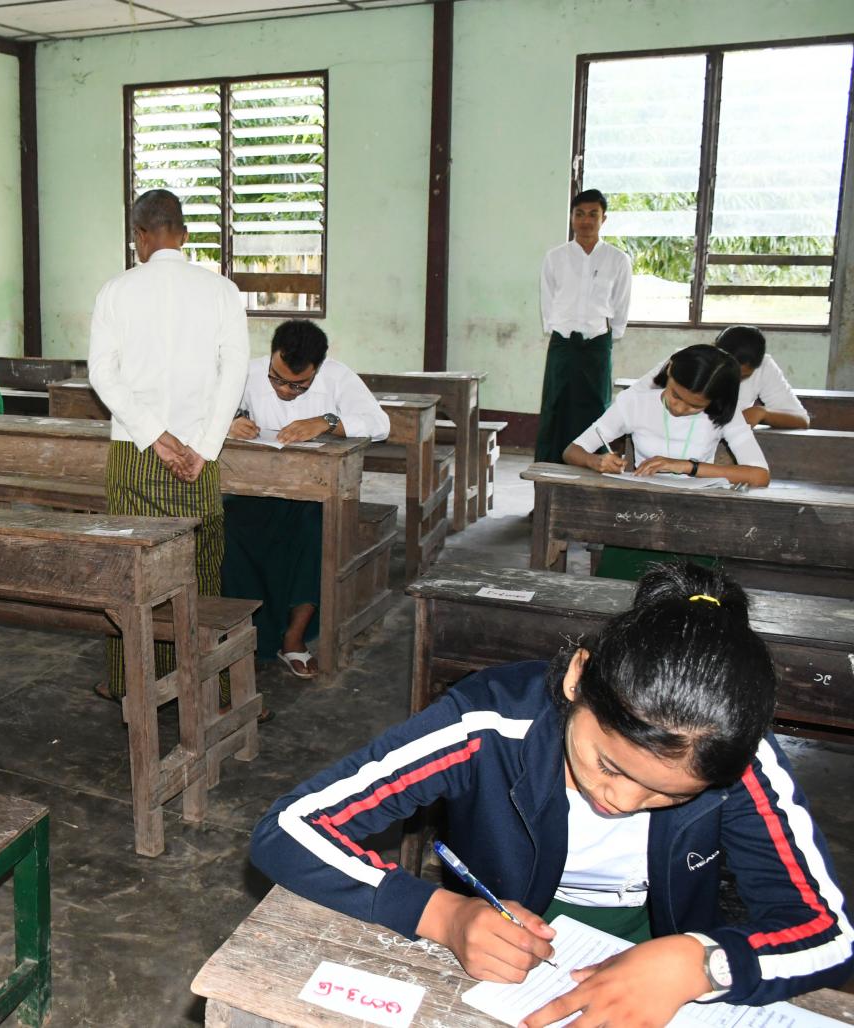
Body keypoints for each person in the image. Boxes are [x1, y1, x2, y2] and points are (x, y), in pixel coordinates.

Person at [250, 563, 853, 1027]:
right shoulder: (487, 724)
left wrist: (704, 963)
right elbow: (289, 830)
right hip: (505, 944)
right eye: (608, 764)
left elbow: (829, 933)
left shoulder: (739, 762)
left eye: (667, 795)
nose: (622, 801)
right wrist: (443, 915)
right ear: (577, 677)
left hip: (660, 953)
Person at [87, 188, 249, 704]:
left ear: (139, 235)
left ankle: (130, 684)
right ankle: (212, 688)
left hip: (136, 452)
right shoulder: (222, 291)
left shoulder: (116, 291)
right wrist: (201, 447)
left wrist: (156, 435)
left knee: (132, 572)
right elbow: (234, 374)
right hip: (200, 456)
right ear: (184, 233)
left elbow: (101, 375)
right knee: (201, 568)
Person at [223, 321, 389, 680]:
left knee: (315, 534)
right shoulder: (249, 372)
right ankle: (243, 633)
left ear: (318, 368)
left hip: (316, 496)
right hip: (260, 489)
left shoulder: (338, 377)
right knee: (227, 527)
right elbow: (210, 410)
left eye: (298, 385)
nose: (285, 390)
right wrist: (231, 421)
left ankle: (293, 638)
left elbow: (380, 424)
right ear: (271, 356)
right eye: (277, 379)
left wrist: (327, 421)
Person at [566, 344, 768, 581]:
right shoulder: (634, 402)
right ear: (670, 370)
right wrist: (595, 461)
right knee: (617, 585)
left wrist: (687, 466)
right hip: (638, 516)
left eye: (695, 406)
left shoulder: (724, 414)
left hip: (697, 520)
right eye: (676, 395)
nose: (679, 408)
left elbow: (760, 475)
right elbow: (572, 451)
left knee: (692, 590)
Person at [534, 188, 632, 465]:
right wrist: (557, 329)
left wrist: (609, 337)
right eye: (579, 214)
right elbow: (548, 300)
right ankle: (549, 470)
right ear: (572, 217)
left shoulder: (617, 259)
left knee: (596, 406)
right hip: (563, 342)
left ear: (603, 219)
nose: (585, 221)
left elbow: (621, 303)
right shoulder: (555, 257)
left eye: (593, 214)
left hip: (597, 344)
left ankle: (593, 470)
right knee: (555, 406)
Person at [633, 326, 810, 430]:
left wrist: (762, 413)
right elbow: (633, 398)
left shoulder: (764, 367)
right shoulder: (689, 360)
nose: (732, 382)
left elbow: (802, 420)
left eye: (743, 377)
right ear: (714, 351)